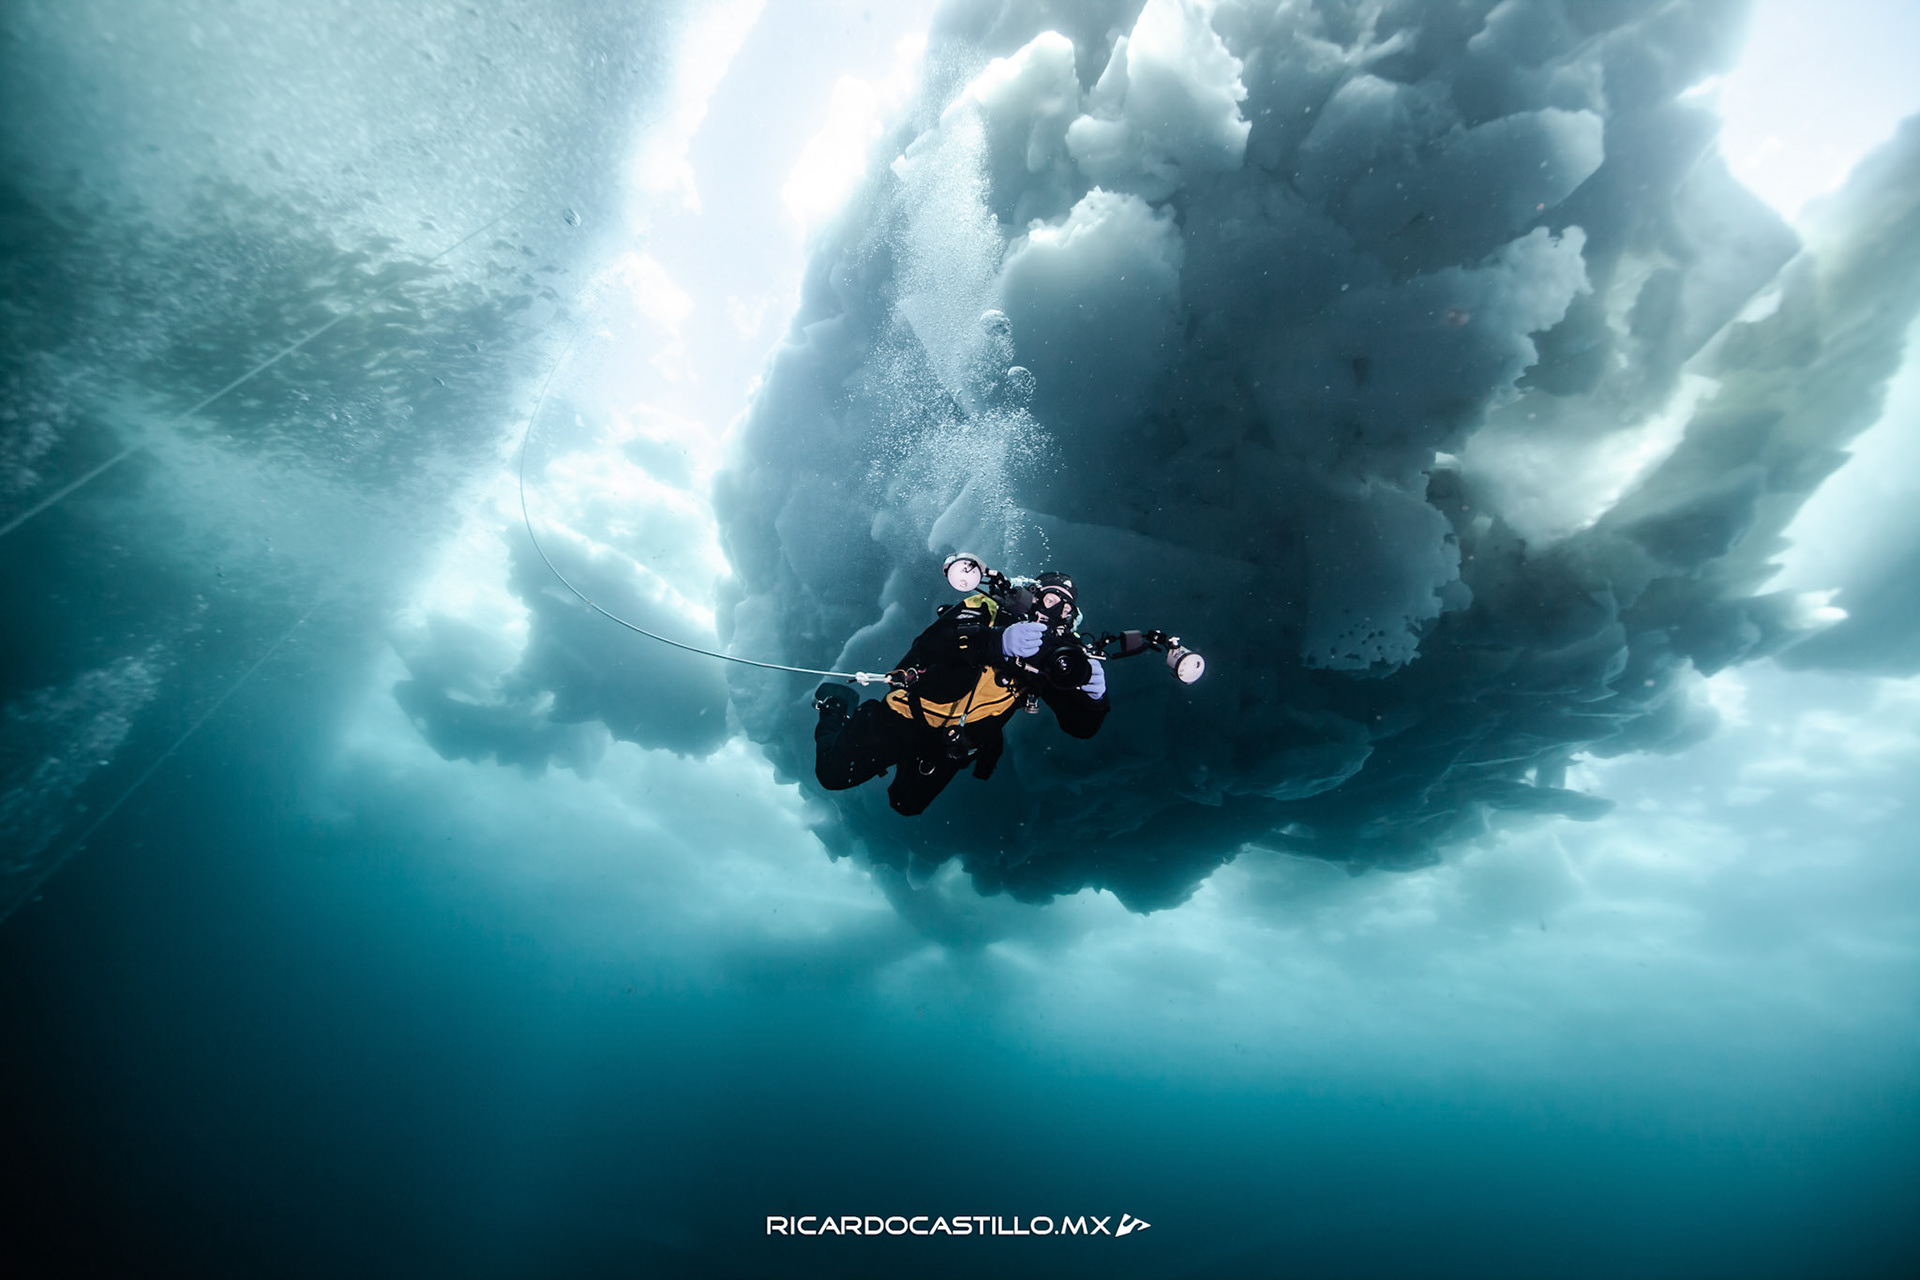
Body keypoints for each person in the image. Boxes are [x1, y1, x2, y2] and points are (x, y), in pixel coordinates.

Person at [814, 571, 1109, 815]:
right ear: (1033, 595)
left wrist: (1094, 700)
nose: (1055, 612)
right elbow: (930, 644)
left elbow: (1080, 727)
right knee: (832, 774)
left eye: (1066, 609)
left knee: (906, 804)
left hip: (952, 742)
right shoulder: (988, 608)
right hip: (905, 715)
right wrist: (995, 642)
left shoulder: (1060, 656)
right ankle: (837, 705)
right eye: (1051, 599)